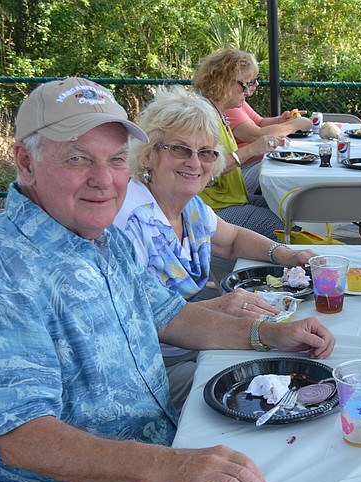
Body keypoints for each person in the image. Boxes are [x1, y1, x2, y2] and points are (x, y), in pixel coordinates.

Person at [0, 77, 335, 482]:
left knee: (313, 480)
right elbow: (24, 440)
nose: (103, 180)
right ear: (26, 162)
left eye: (114, 160)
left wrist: (270, 335)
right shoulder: (1, 267)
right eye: (78, 158)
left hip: (161, 443)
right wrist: (170, 467)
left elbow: (172, 318)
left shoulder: (101, 237)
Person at [114, 85, 318, 410]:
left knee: (291, 359)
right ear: (150, 153)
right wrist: (221, 307)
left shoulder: (188, 205)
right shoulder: (130, 220)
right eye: (181, 149)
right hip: (147, 366)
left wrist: (287, 255)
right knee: (269, 390)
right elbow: (139, 322)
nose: (195, 162)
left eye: (207, 152)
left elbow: (232, 237)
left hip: (194, 343)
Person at [192, 48, 286, 239]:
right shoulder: (203, 117)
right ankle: (267, 268)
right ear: (223, 82)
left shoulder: (218, 111)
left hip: (229, 199)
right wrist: (253, 148)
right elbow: (206, 170)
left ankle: (258, 267)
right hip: (213, 207)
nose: (250, 90)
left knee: (286, 209)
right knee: (283, 229)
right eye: (246, 84)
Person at [225, 78, 312, 195]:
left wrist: (281, 120)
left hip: (248, 164)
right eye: (249, 81)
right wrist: (295, 125)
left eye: (257, 79)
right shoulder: (228, 106)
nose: (256, 84)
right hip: (238, 172)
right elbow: (255, 135)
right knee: (292, 171)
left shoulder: (237, 101)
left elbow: (259, 122)